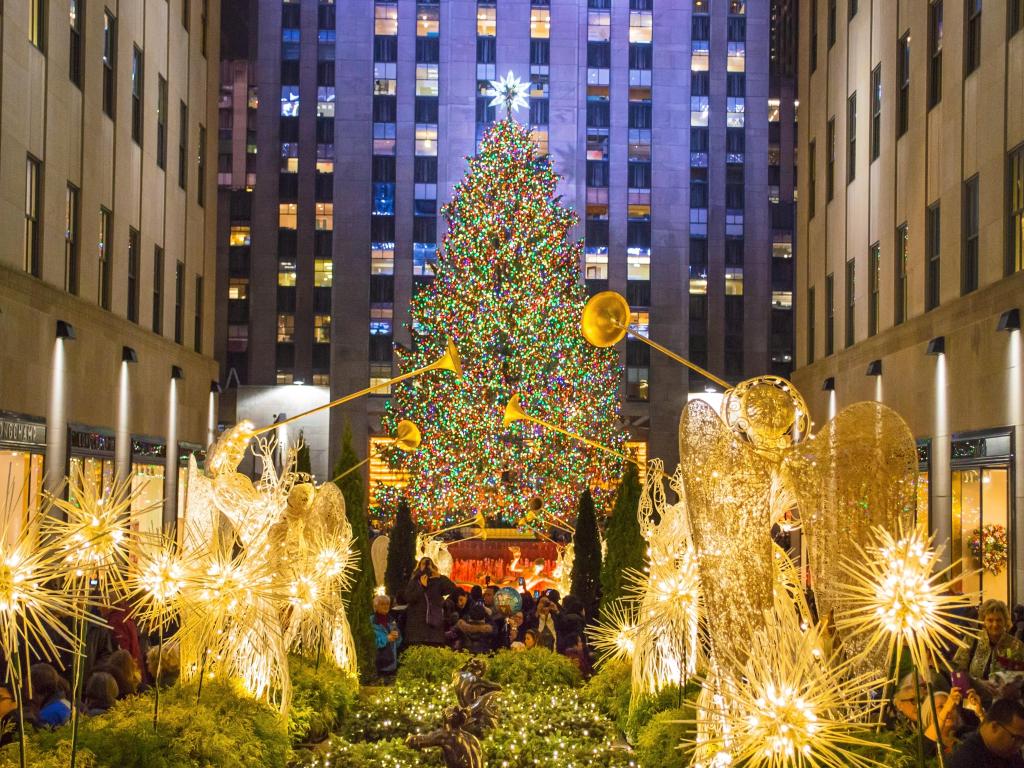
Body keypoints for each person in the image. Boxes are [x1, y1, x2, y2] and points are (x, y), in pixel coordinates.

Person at [891, 672, 982, 756]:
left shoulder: (965, 733)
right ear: (928, 714)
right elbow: (921, 750)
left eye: (952, 707)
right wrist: (947, 707)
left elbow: (988, 741)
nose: (949, 710)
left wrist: (980, 714)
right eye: (941, 707)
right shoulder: (919, 741)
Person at [953, 599, 1024, 701]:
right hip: (973, 703)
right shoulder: (972, 640)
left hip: (1004, 706)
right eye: (990, 620)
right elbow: (957, 671)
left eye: (999, 620)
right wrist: (978, 682)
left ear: (1005, 621)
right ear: (983, 621)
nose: (995, 624)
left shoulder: (1016, 646)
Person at [949, 698, 1024, 767]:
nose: (1019, 745)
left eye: (1022, 740)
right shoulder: (966, 760)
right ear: (995, 727)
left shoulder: (1008, 754)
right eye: (1016, 738)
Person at [404, 557, 458, 646]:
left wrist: (439, 576)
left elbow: (452, 589)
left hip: (434, 630)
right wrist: (421, 586)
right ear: (419, 567)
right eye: (423, 564)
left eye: (428, 564)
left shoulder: (438, 581)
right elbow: (409, 598)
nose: (426, 567)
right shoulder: (414, 581)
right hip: (417, 630)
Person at [372, 594, 402, 676]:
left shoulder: (391, 620)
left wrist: (397, 636)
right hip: (378, 663)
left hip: (391, 664)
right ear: (376, 606)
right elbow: (370, 642)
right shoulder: (371, 621)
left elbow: (398, 642)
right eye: (382, 604)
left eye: (387, 604)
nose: (386, 606)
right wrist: (386, 638)